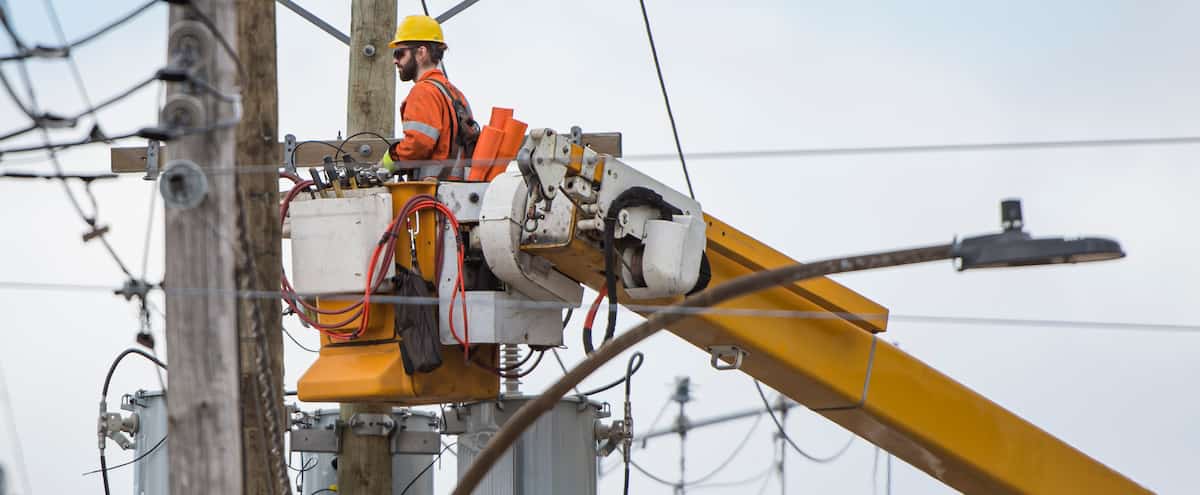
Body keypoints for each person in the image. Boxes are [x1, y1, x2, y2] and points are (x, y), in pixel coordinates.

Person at [378, 15, 477, 180]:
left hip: (433, 192)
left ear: (421, 53)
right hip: (459, 190)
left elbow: (418, 144)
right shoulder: (455, 93)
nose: (395, 61)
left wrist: (389, 160)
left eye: (399, 53)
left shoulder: (423, 92)